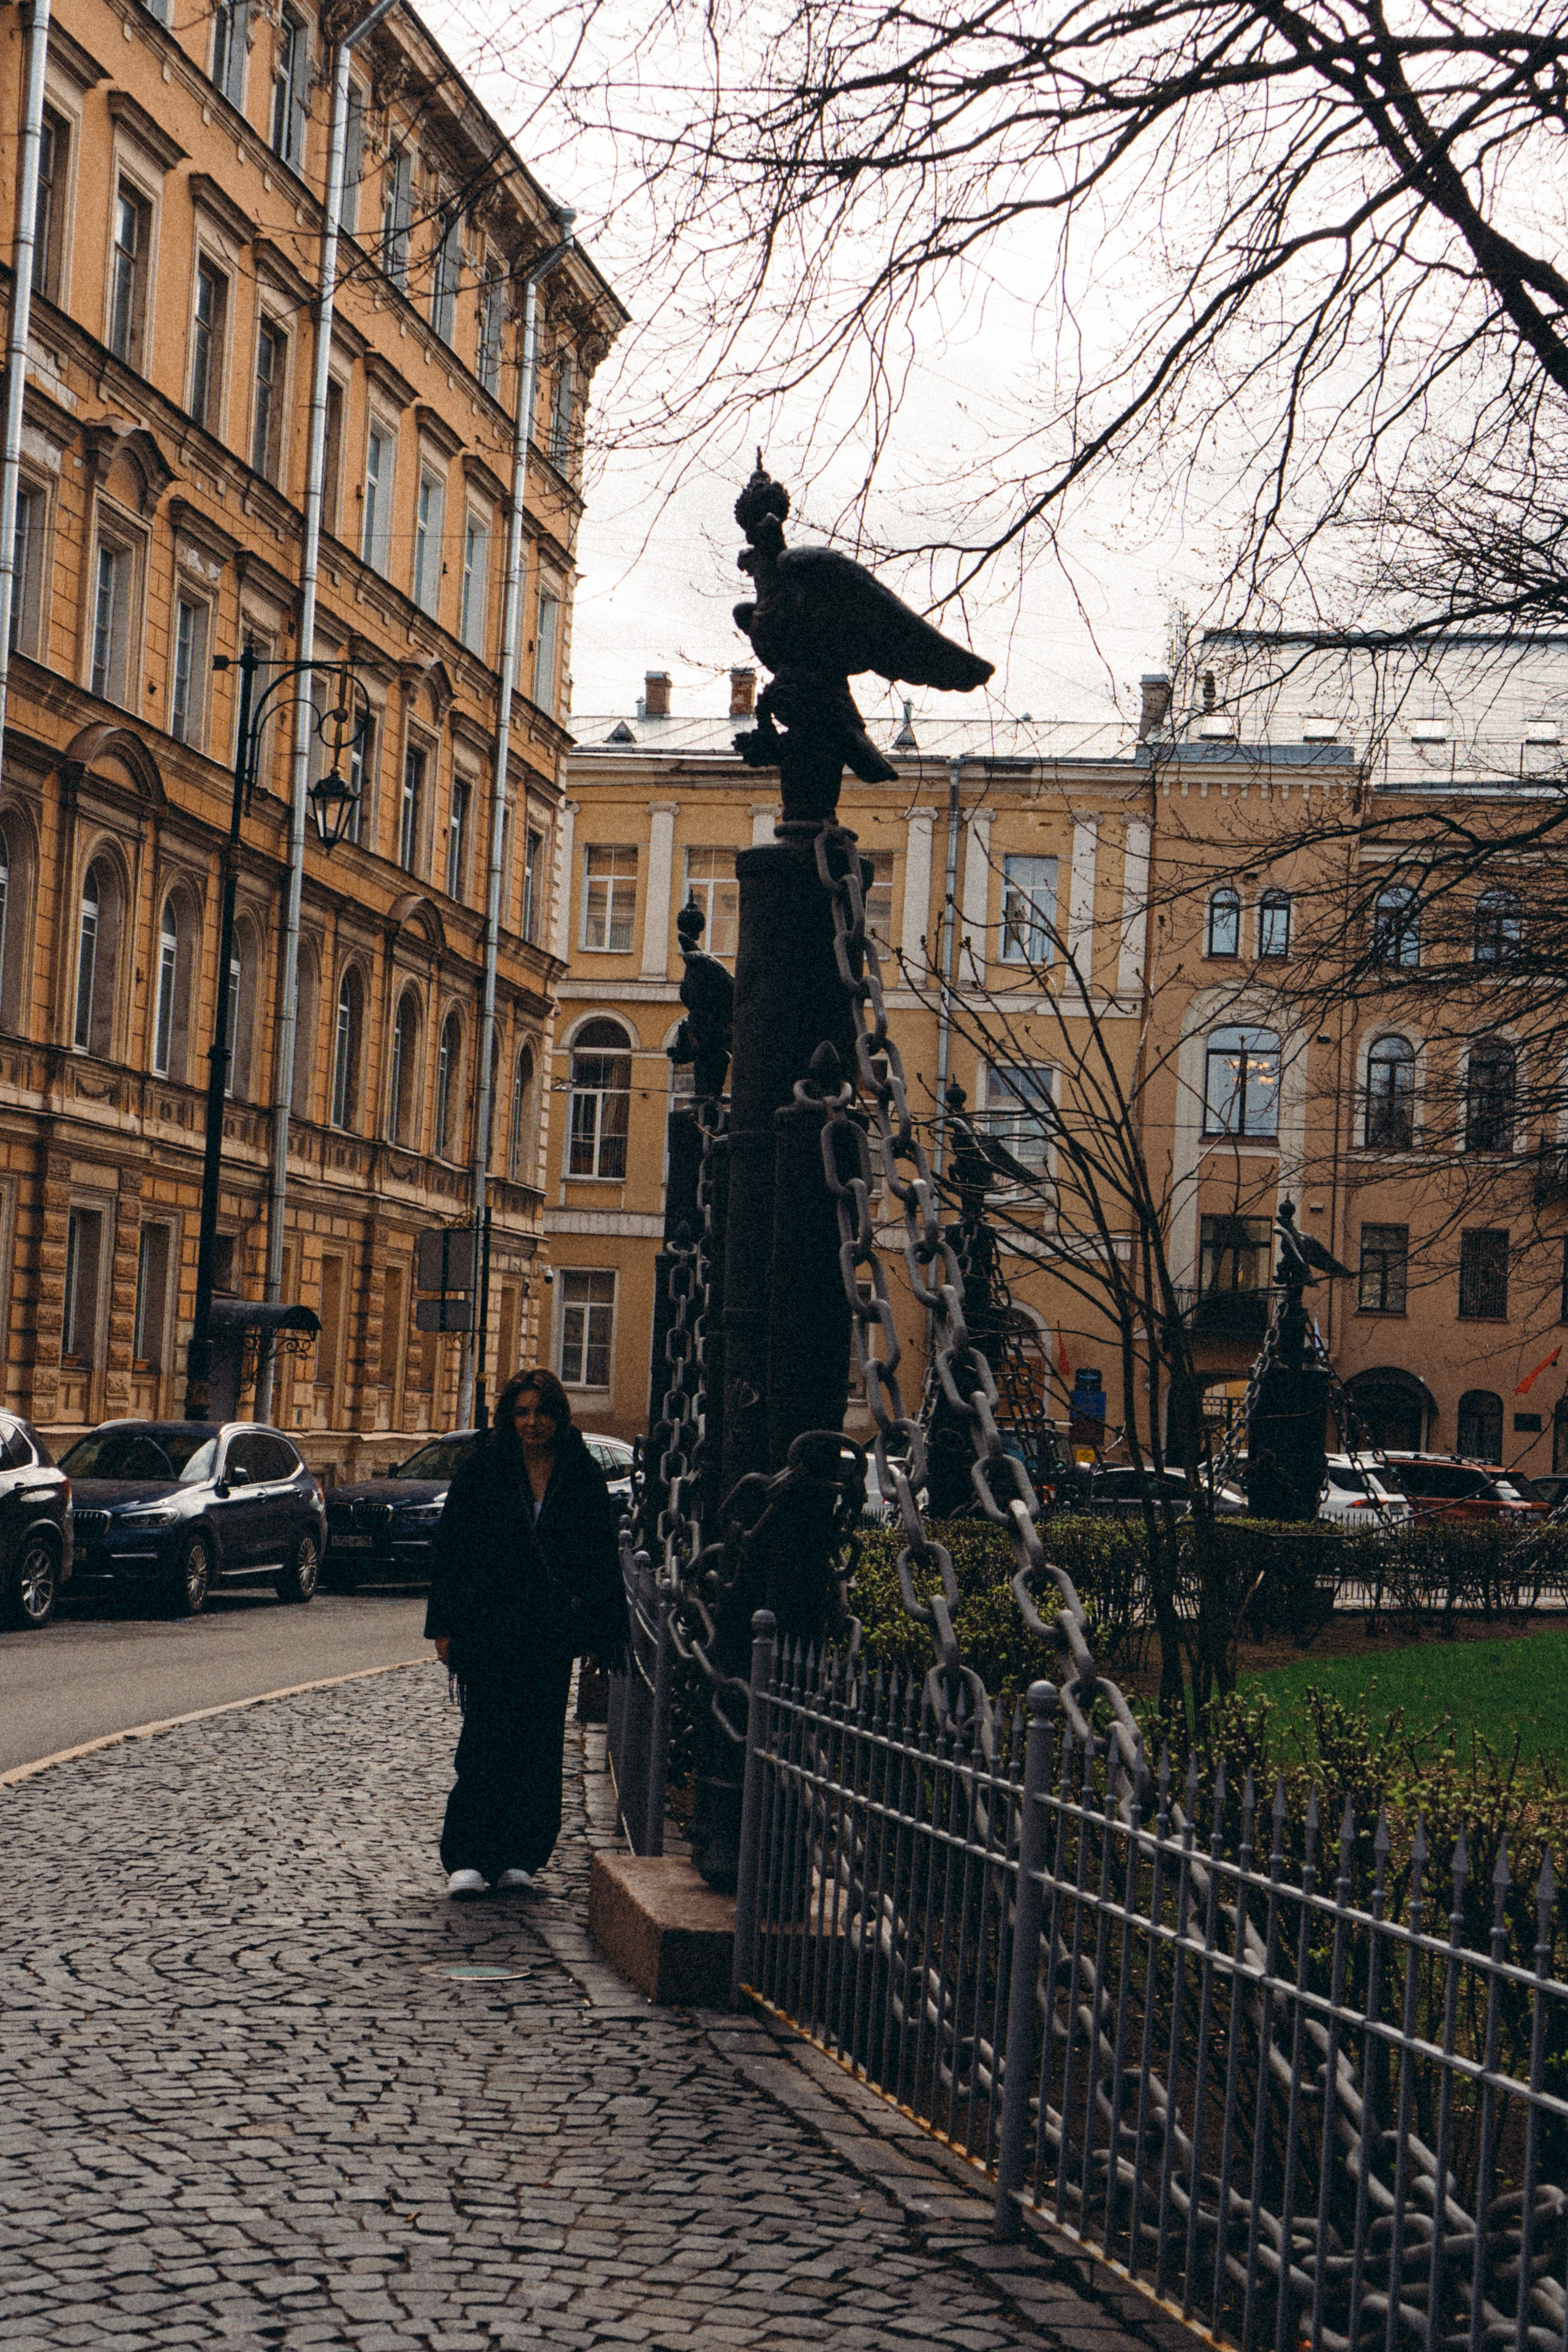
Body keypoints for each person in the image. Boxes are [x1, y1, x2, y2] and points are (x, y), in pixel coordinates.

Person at [424, 1368, 628, 1898]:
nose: (532, 1422)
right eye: (522, 1412)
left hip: (549, 1633)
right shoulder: (484, 1469)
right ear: (508, 1417)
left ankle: (521, 1854)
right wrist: (443, 1627)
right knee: (485, 1739)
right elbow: (452, 1552)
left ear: (558, 1416)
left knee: (538, 1744)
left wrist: (599, 1635)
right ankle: (468, 1856)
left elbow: (598, 1556)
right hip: (489, 1628)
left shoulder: (579, 1472)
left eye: (541, 1412)